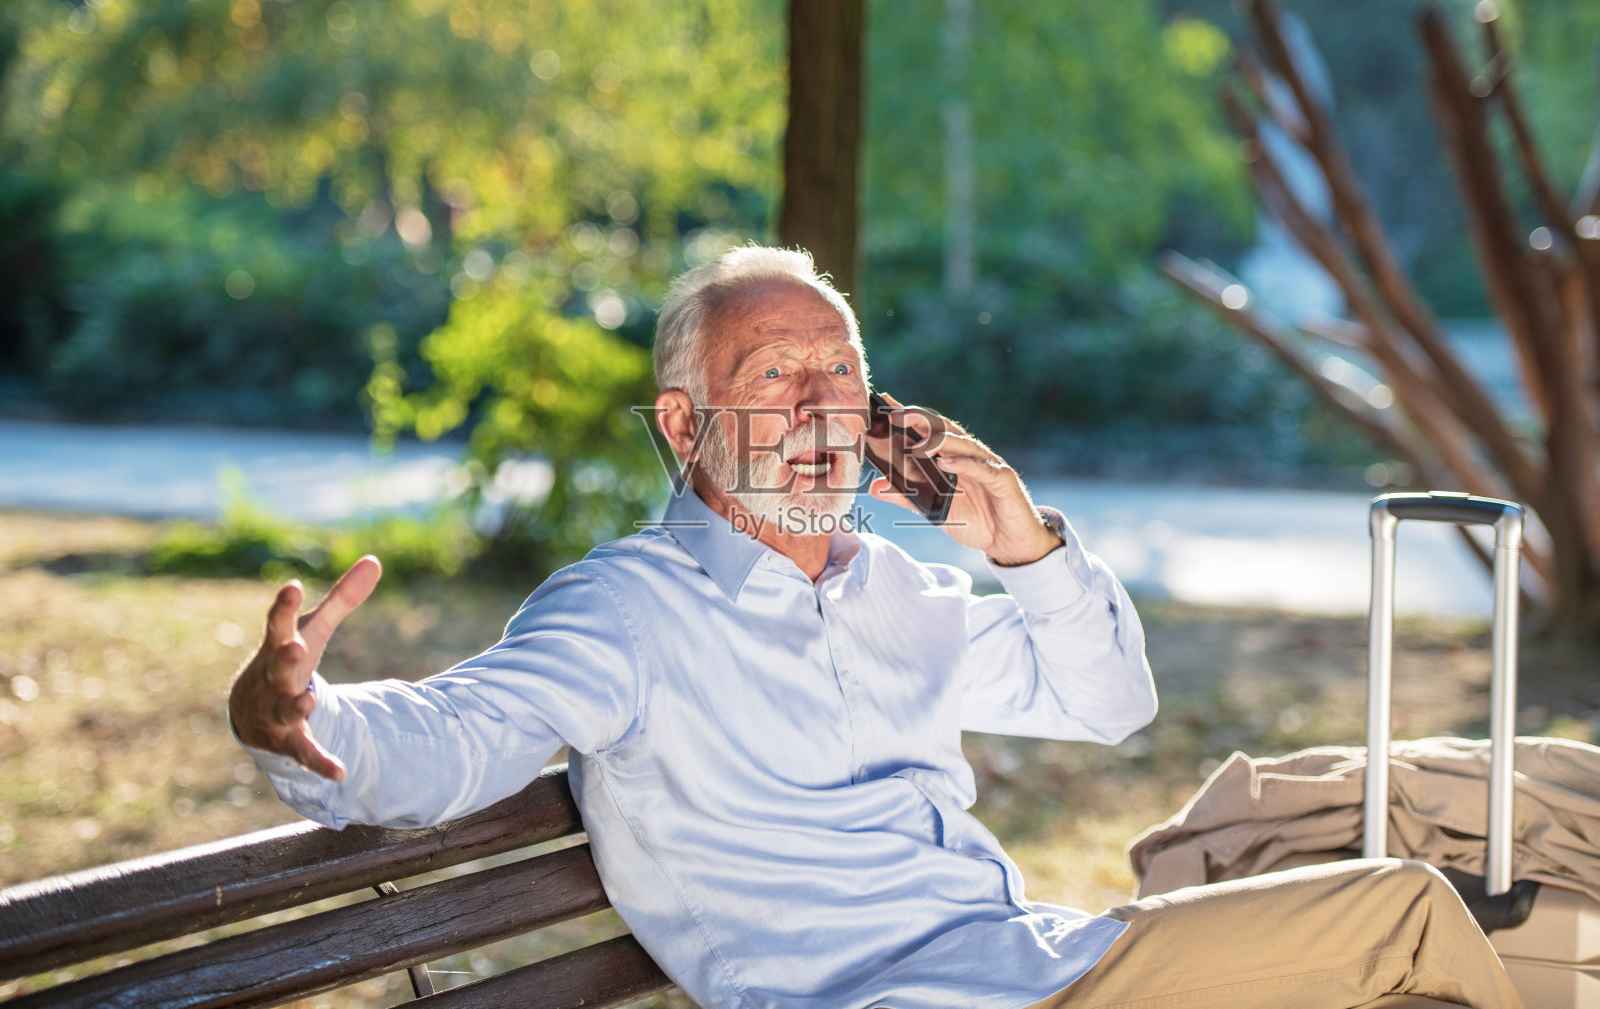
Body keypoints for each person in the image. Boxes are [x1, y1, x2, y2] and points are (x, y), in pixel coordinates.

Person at [231, 245, 1525, 1009]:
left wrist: (1021, 540)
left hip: (1047, 970)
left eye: (838, 371)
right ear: (686, 427)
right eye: (773, 377)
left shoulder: (898, 589)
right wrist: (304, 718)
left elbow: (1108, 704)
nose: (817, 404)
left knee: (1403, 911)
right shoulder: (627, 608)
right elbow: (455, 735)